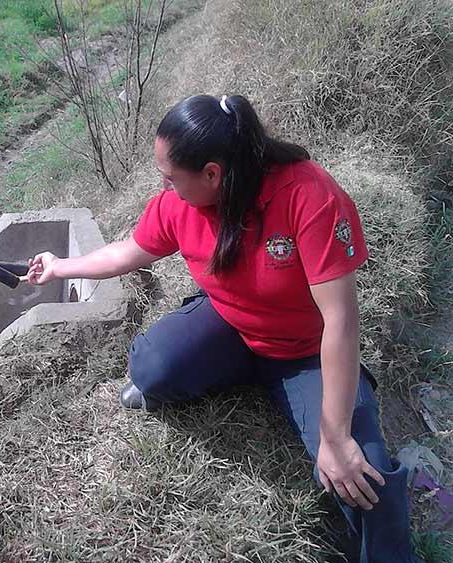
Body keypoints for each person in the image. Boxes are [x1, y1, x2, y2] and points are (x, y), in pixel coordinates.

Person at [22, 94, 423, 563]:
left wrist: (334, 436)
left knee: (361, 473)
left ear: (213, 174)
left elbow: (341, 319)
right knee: (151, 368)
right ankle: (237, 373)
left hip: (306, 351)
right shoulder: (180, 205)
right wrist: (60, 267)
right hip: (232, 324)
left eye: (171, 178)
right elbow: (126, 251)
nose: (164, 187)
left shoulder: (308, 196)